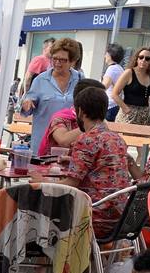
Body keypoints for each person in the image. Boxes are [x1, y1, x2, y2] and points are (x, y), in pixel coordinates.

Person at [39, 84, 134, 237]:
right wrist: (73, 160)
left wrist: (41, 183)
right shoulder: (117, 139)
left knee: (35, 209)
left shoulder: (87, 139)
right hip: (119, 218)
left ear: (81, 111)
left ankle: (48, 259)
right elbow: (102, 168)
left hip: (93, 217)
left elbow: (71, 184)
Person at [20, 37, 83, 155]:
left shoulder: (80, 80)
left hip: (69, 148)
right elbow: (27, 106)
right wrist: (26, 103)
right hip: (42, 145)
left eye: (63, 60)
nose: (57, 63)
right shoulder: (40, 80)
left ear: (73, 61)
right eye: (54, 59)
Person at [36, 77, 105, 156]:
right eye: (100, 100)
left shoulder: (100, 122)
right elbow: (62, 140)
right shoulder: (61, 118)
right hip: (54, 165)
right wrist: (90, 125)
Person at [112, 45, 150, 125]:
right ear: (137, 58)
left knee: (141, 137)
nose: (143, 60)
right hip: (129, 114)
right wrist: (126, 109)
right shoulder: (129, 73)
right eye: (141, 57)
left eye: (147, 58)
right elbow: (114, 94)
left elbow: (147, 97)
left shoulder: (149, 75)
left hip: (144, 116)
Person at [102, 42, 125, 120]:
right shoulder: (120, 68)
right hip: (116, 105)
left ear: (110, 55)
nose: (105, 56)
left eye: (106, 54)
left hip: (110, 106)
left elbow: (104, 86)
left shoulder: (112, 69)